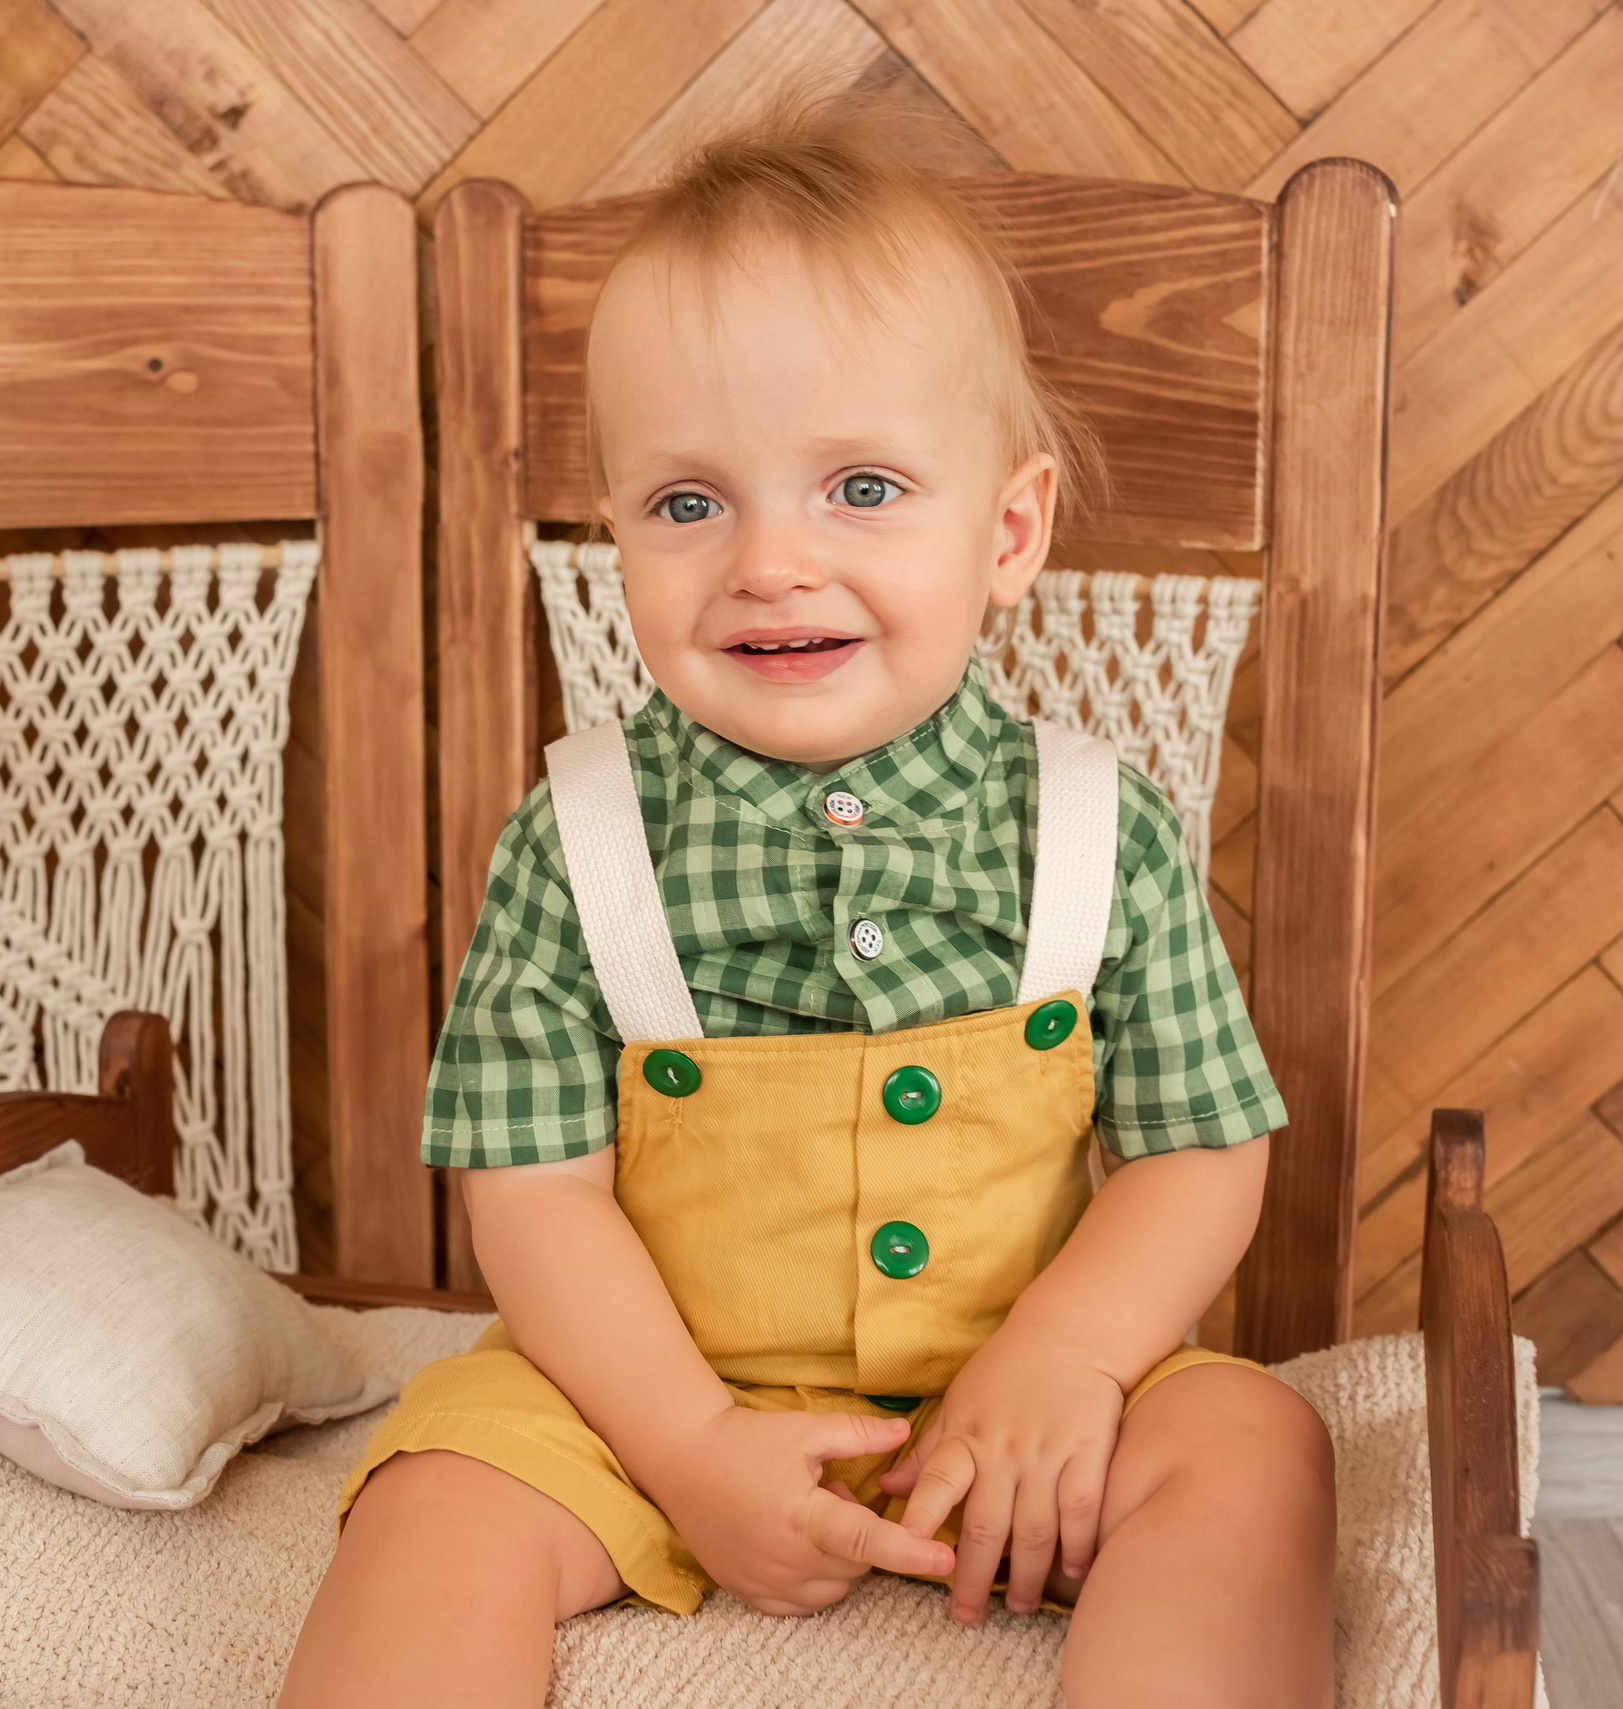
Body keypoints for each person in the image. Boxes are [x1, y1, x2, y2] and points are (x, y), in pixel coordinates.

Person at [280, 90, 1335, 1709]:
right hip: (643, 1407)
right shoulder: (574, 842)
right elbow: (534, 1195)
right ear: (615, 534)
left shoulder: (1090, 828)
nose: (770, 561)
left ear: (1009, 529)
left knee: (1253, 1442)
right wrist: (689, 1443)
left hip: (1018, 1406)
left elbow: (1200, 1148)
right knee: (437, 1506)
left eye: (860, 488)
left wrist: (1070, 1356)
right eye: (690, 504)